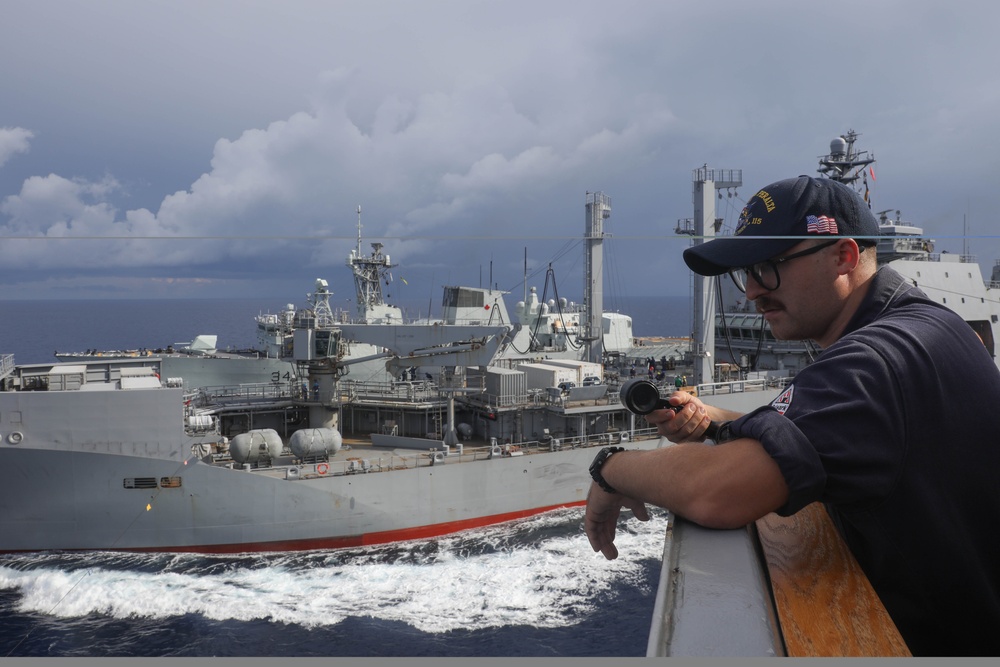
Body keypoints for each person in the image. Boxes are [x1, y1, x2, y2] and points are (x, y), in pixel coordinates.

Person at [584, 175, 1000, 656]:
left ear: (843, 256)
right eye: (746, 272)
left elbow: (718, 493)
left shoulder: (874, 361)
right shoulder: (921, 325)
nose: (754, 291)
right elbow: (831, 430)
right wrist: (716, 420)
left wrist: (610, 468)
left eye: (768, 266)